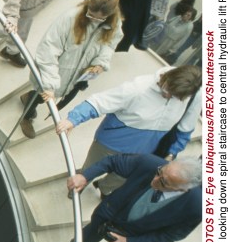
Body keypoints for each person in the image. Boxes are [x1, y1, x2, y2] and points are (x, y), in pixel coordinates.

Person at [59, 154, 201, 242]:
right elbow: (112, 161)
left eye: (163, 182)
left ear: (182, 189)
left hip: (133, 236)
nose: (155, 179)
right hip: (107, 216)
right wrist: (85, 176)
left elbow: (173, 234)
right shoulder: (150, 163)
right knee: (85, 236)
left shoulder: (196, 207)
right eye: (160, 172)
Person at [56, 66, 200, 195]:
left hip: (142, 151)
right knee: (90, 169)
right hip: (110, 144)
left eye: (173, 96)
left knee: (122, 178)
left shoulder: (193, 97)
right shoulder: (138, 88)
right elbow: (99, 102)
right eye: (166, 90)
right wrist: (72, 120)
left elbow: (185, 130)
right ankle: (76, 190)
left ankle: (105, 188)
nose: (167, 95)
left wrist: (171, 153)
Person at [17, 0, 122, 138]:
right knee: (39, 94)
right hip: (56, 72)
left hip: (78, 75)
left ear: (109, 15)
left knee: (60, 96)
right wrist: (50, 84)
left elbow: (110, 44)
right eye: (91, 15)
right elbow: (48, 51)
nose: (93, 20)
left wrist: (100, 63)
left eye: (99, 19)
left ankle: (29, 98)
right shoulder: (69, 19)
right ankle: (26, 117)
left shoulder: (114, 24)